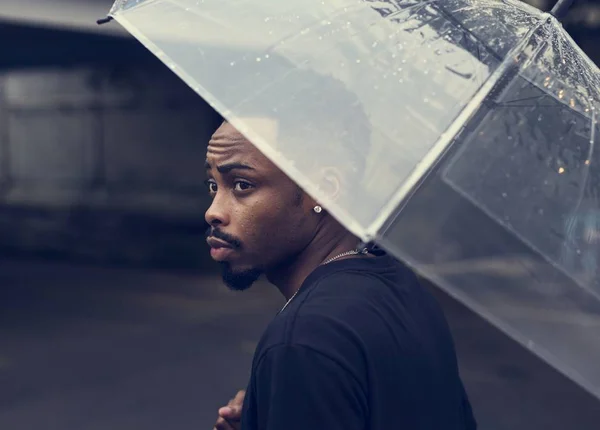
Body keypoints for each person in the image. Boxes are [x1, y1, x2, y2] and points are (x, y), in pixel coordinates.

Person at [206, 73, 476, 430]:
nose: (213, 211)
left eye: (242, 185)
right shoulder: (400, 288)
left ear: (324, 189)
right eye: (213, 184)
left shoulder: (302, 341)